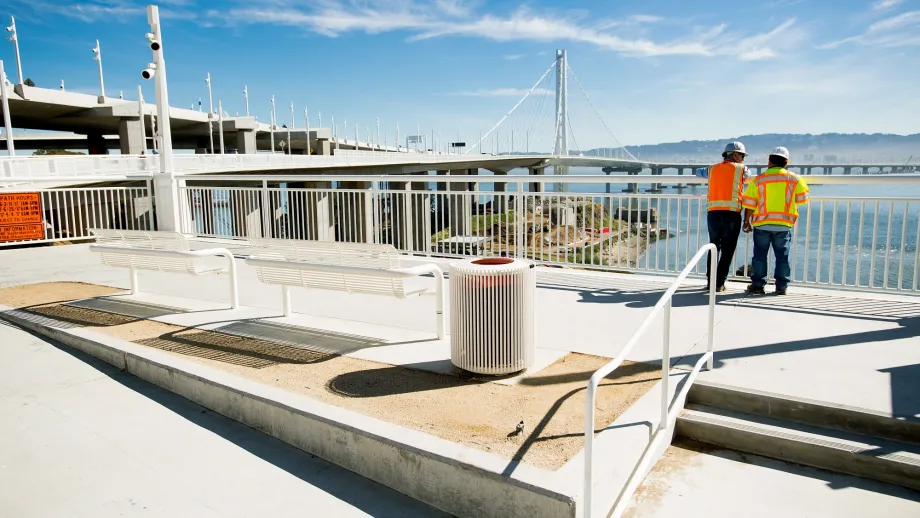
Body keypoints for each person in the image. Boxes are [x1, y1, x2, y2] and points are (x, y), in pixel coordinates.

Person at [741, 146, 809, 295]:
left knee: (759, 256)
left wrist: (746, 222)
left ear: (769, 161)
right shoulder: (795, 179)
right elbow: (802, 199)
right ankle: (781, 287)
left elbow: (750, 204)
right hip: (783, 225)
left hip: (762, 224)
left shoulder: (758, 180)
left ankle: (758, 285)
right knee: (782, 257)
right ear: (786, 162)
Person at [694, 141, 752, 292]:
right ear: (734, 154)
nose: (743, 159)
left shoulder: (712, 169)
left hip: (713, 213)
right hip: (731, 214)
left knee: (713, 246)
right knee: (728, 249)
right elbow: (748, 175)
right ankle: (719, 283)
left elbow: (698, 172)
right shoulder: (742, 169)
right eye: (742, 156)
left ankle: (710, 282)